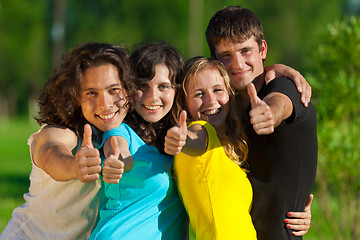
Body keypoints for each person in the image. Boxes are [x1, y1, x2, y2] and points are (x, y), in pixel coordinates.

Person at [0, 42, 136, 239]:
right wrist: (74, 166)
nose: (105, 104)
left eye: (114, 89)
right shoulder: (60, 132)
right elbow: (51, 154)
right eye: (91, 93)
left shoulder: (120, 133)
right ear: (73, 96)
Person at [205, 6, 318, 239]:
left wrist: (270, 114)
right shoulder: (220, 107)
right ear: (214, 60)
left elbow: (281, 103)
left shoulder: (286, 86)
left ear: (262, 49)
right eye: (226, 55)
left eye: (246, 51)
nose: (237, 63)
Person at [89, 41, 188, 240]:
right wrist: (116, 162)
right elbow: (118, 151)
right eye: (143, 86)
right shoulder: (120, 130)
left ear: (177, 91)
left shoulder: (180, 137)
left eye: (163, 86)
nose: (152, 97)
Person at [165, 56, 257, 239]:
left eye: (217, 90)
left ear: (229, 93)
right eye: (199, 94)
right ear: (184, 103)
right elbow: (194, 140)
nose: (210, 100)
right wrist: (181, 138)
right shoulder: (201, 130)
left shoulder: (226, 145)